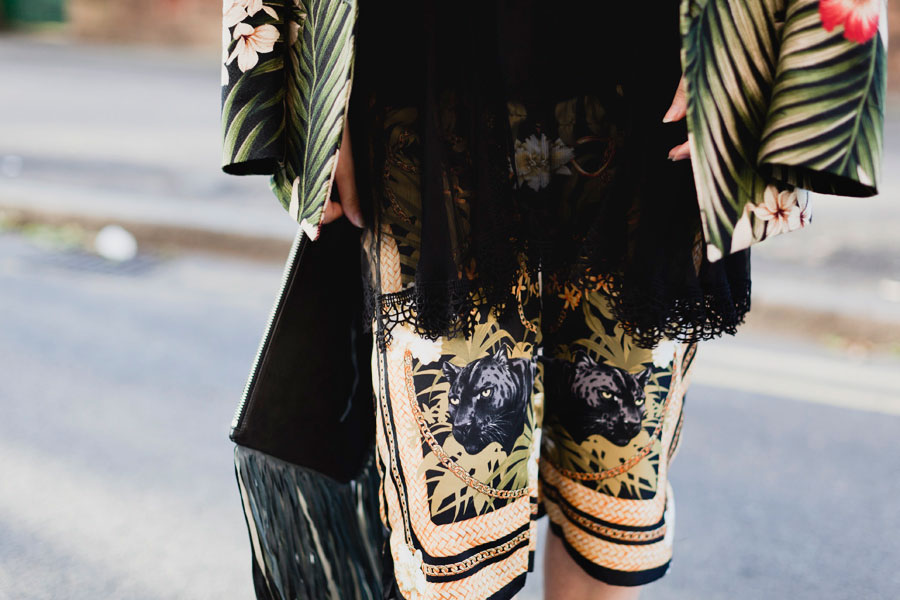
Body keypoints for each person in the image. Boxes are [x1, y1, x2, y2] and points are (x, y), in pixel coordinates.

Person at [221, 1, 885, 599]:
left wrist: (776, 68)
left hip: (650, 80)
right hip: (426, 79)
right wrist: (301, 92)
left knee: (612, 499)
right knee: (455, 536)